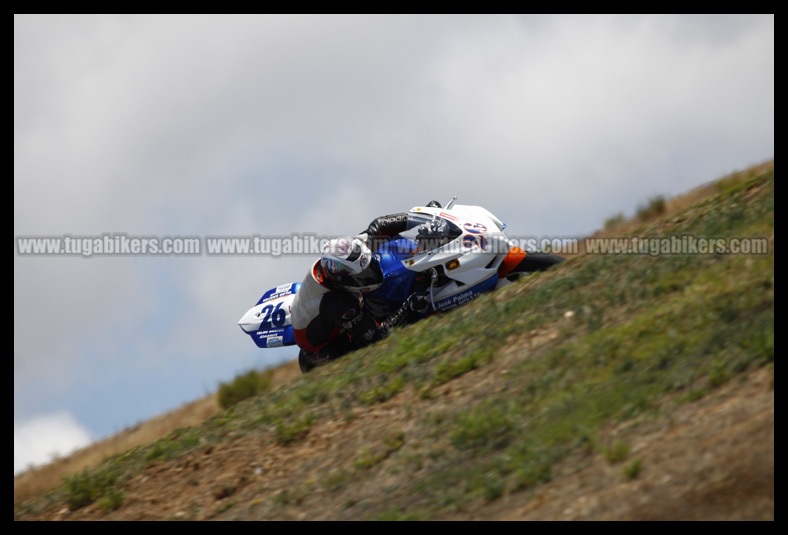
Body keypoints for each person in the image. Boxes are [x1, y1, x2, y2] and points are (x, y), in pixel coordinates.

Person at [291, 206, 439, 372]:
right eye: (364, 275)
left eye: (370, 266)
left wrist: (426, 216)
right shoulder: (340, 303)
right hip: (322, 344)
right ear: (345, 283)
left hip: (315, 305)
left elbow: (379, 226)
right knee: (364, 356)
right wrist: (408, 307)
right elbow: (375, 336)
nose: (372, 274)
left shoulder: (346, 251)